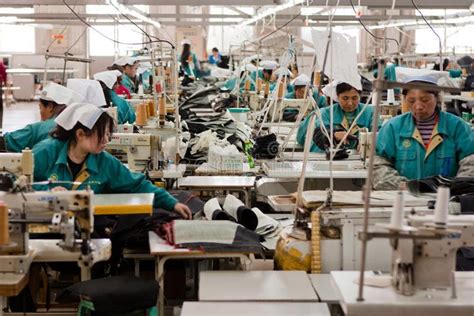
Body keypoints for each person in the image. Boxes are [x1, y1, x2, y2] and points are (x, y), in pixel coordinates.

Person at [32, 102, 192, 219]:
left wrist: (172, 203)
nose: (106, 140)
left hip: (85, 227)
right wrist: (46, 192)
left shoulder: (104, 162)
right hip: (43, 223)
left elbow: (137, 184)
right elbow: (14, 183)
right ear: (80, 134)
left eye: (109, 135)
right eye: (102, 134)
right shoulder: (45, 153)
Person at [373, 75, 474, 190]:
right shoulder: (392, 128)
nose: (418, 106)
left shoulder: (457, 127)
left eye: (425, 100)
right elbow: (378, 166)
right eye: (411, 101)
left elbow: (471, 165)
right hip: (404, 198)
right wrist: (405, 186)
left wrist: (456, 188)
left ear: (437, 99)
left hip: (446, 199)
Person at [297, 81, 379, 153]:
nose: (350, 103)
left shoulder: (370, 112)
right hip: (327, 158)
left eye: (355, 98)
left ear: (360, 96)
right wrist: (333, 134)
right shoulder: (325, 113)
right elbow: (319, 132)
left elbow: (379, 134)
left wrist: (370, 141)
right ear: (337, 97)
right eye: (345, 98)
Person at [2, 82, 83, 152]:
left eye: (40, 107)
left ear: (50, 107)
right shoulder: (79, 129)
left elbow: (7, 142)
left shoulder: (37, 129)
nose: (40, 112)